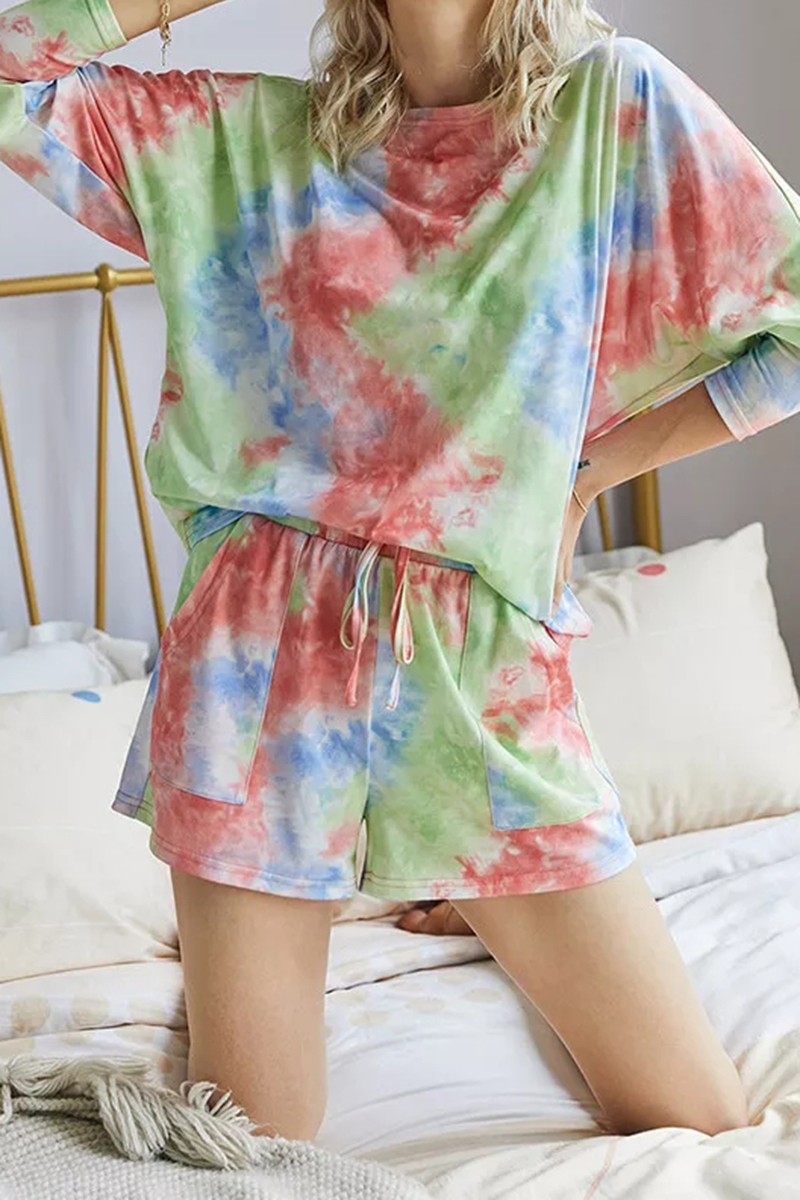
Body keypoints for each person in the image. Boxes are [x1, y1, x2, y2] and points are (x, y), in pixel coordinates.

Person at [2, 0, 799, 1146]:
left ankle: (467, 891)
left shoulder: (609, 107)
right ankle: (442, 891)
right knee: (256, 1149)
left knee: (694, 1118)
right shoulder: (242, 140)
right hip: (253, 683)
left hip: (475, 679)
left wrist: (592, 471)